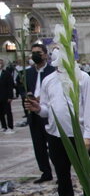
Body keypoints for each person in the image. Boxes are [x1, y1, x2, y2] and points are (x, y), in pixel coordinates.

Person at [24, 48, 90, 196]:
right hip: (56, 135)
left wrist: (88, 135)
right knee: (62, 175)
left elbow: (89, 109)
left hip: (78, 136)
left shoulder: (82, 78)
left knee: (86, 175)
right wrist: (38, 109)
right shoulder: (49, 80)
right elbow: (47, 109)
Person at [25, 44, 55, 183]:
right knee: (38, 145)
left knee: (54, 145)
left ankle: (60, 172)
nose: (35, 55)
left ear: (45, 54)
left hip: (49, 113)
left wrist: (41, 99)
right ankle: (45, 172)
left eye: (38, 52)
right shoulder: (28, 73)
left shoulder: (52, 71)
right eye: (33, 53)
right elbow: (22, 88)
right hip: (33, 113)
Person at [0, 59, 15, 133]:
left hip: (5, 96)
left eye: (1, 63)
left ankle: (10, 127)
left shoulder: (7, 73)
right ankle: (3, 126)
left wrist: (10, 96)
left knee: (8, 112)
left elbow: (10, 86)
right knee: (1, 112)